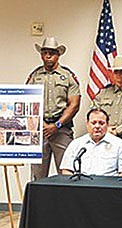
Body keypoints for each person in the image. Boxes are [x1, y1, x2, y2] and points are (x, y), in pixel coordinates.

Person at [26, 37, 81, 179]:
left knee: (66, 173)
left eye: (52, 52)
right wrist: (42, 124)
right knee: (38, 175)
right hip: (39, 129)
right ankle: (39, 202)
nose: (48, 56)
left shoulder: (68, 76)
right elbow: (27, 102)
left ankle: (65, 202)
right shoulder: (34, 76)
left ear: (58, 54)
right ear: (41, 54)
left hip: (61, 129)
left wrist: (56, 125)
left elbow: (74, 105)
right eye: (45, 52)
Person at [60, 108, 122, 176]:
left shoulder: (119, 144)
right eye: (93, 123)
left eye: (101, 123)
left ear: (107, 125)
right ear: (87, 124)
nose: (97, 126)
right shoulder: (76, 144)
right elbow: (66, 170)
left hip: (109, 187)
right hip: (82, 186)